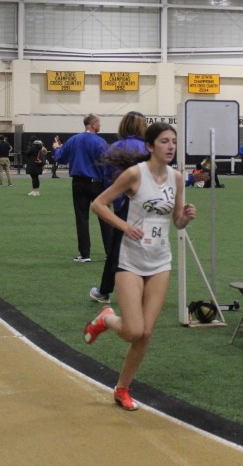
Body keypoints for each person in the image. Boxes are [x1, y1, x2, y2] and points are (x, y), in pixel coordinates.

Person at [84, 122, 197, 411]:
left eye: (174, 141)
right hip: (131, 261)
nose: (171, 146)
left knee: (146, 332)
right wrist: (124, 227)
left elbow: (176, 221)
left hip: (160, 261)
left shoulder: (177, 178)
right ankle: (107, 319)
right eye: (164, 141)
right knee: (133, 330)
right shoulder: (135, 174)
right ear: (149, 146)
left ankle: (122, 388)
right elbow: (98, 204)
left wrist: (185, 218)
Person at [90, 111, 147, 304]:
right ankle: (147, 291)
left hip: (123, 204)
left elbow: (107, 178)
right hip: (148, 204)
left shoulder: (114, 148)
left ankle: (104, 291)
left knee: (117, 248)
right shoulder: (149, 148)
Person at [54, 114, 113, 263]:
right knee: (105, 218)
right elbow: (106, 165)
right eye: (99, 123)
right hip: (97, 183)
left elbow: (60, 157)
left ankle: (85, 254)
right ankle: (111, 252)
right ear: (93, 125)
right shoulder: (100, 142)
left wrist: (57, 148)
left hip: (78, 183)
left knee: (81, 218)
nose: (100, 125)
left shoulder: (74, 140)